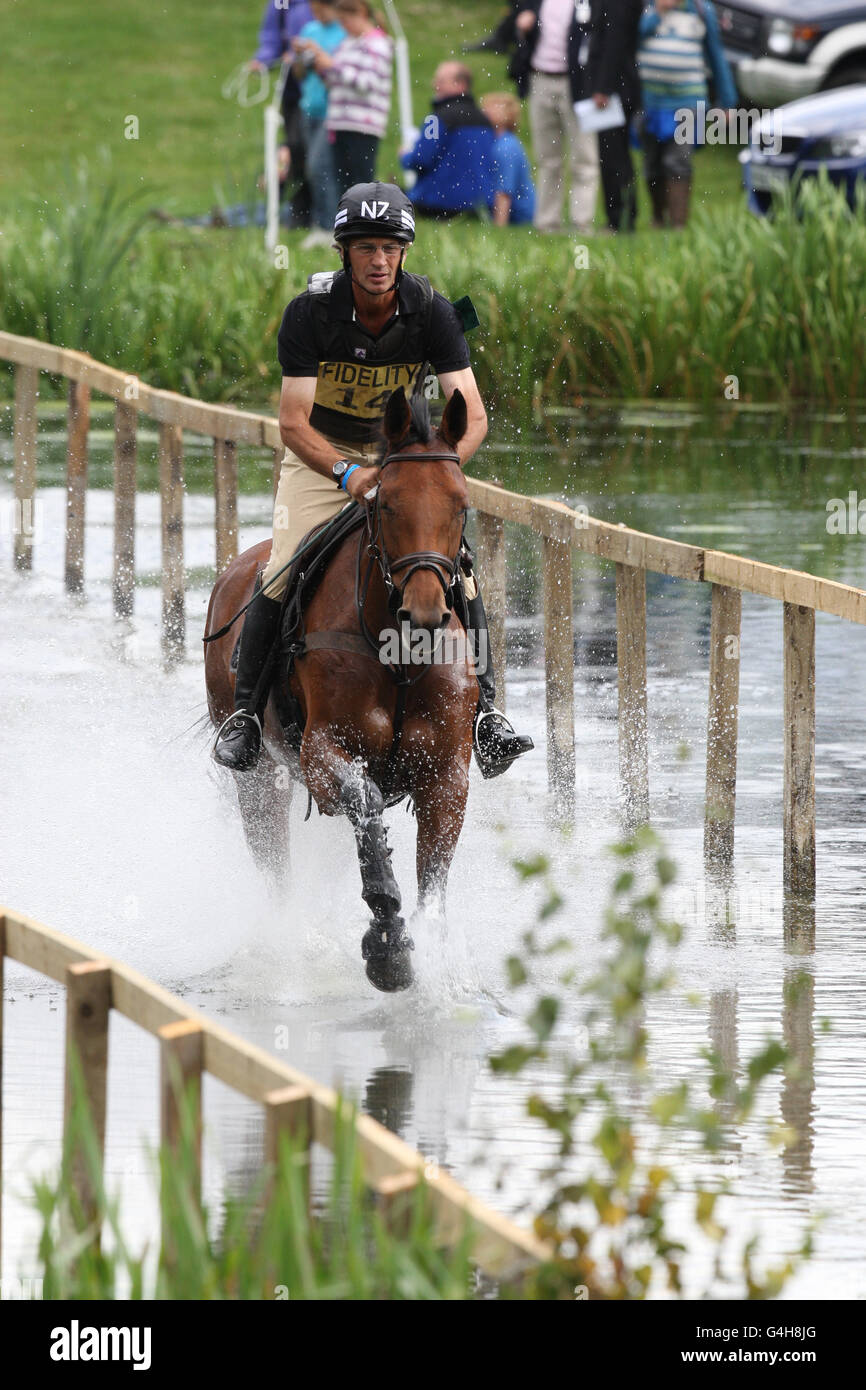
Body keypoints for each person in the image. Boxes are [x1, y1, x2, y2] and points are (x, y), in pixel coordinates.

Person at [212, 183, 533, 780]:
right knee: (283, 567)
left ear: (404, 253)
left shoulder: (433, 312)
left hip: (405, 459)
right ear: (344, 253)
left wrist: (430, 473)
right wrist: (351, 473)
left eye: (390, 248)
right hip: (324, 458)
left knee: (454, 569)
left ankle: (488, 714)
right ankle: (248, 717)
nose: (379, 260)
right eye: (366, 249)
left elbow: (476, 416)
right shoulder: (310, 314)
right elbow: (291, 422)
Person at [638, 0, 738, 228]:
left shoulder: (702, 10)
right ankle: (657, 217)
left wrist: (727, 102)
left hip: (688, 102)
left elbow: (716, 57)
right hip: (651, 100)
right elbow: (632, 39)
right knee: (652, 162)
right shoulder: (646, 7)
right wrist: (658, 13)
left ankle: (678, 224)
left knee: (678, 160)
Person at [511, 2, 599, 235]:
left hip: (579, 85)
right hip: (540, 78)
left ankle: (581, 223)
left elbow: (600, 37)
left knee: (584, 157)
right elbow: (516, 27)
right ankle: (547, 222)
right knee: (547, 158)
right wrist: (523, 25)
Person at [301, 0, 393, 191]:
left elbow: (367, 83)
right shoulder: (348, 43)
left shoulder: (378, 44)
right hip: (340, 123)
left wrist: (332, 65)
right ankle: (345, 221)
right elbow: (337, 82)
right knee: (343, 186)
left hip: (362, 126)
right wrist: (321, 66)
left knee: (360, 185)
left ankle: (363, 221)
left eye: (345, 20)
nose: (343, 26)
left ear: (360, 14)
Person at [400, 64, 497, 219]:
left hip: (438, 205)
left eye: (441, 81)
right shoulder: (486, 121)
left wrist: (405, 156)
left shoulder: (436, 119)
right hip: (479, 208)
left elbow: (421, 160)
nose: (434, 85)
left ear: (460, 84)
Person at [250, 0, 314, 227]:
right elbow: (271, 37)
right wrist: (264, 59)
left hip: (322, 94)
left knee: (314, 153)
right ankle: (299, 213)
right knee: (295, 149)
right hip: (293, 94)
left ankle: (321, 213)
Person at [292, 0, 346, 249]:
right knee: (314, 168)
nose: (316, 14)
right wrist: (301, 58)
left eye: (320, 8)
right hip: (308, 109)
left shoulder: (343, 32)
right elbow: (300, 74)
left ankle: (329, 227)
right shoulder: (310, 30)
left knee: (320, 166)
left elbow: (337, 75)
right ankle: (321, 222)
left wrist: (320, 56)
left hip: (333, 112)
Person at [589, 0, 644, 233]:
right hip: (617, 87)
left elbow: (614, 43)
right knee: (614, 155)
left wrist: (604, 87)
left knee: (614, 157)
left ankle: (621, 217)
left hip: (616, 90)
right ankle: (620, 215)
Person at [480, 92, 536, 226]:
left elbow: (504, 191)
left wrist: (499, 227)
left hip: (520, 217)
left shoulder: (506, 147)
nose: (485, 110)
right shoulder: (494, 141)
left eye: (493, 107)